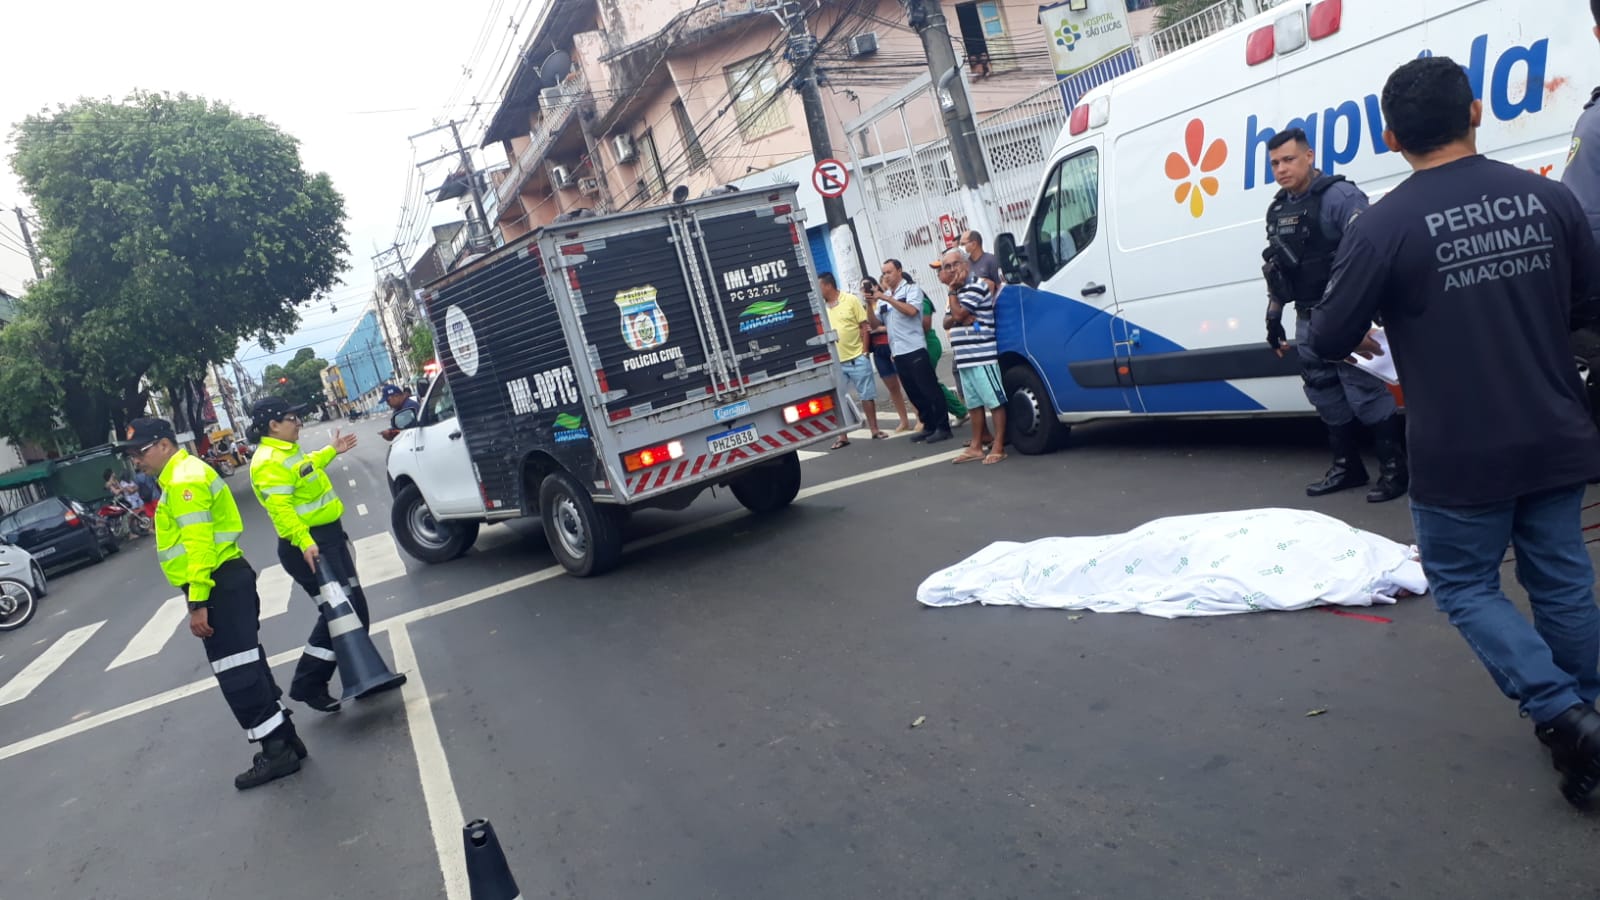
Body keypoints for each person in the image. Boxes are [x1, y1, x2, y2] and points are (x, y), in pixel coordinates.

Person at [1308, 56, 1600, 806]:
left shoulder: (1383, 226)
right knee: (1562, 580)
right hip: (1555, 428)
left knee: (1465, 584)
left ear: (1391, 136)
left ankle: (1566, 715)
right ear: (1475, 111)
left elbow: (1328, 333)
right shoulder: (1549, 199)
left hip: (1459, 450)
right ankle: (1590, 715)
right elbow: (1585, 308)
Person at [119, 417, 305, 790]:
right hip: (225, 580)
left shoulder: (183, 481)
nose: (136, 460)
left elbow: (200, 546)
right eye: (132, 455)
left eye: (140, 451)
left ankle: (277, 753)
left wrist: (198, 601)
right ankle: (286, 740)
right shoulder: (182, 475)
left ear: (164, 445)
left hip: (217, 584)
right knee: (249, 663)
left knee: (238, 673)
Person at [1262, 127, 1407, 502]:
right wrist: (1274, 316)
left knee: (1363, 391)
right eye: (1275, 163)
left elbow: (1370, 255)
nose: (1281, 169)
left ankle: (1395, 470)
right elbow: (1278, 270)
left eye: (1289, 159)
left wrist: (1362, 318)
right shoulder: (1279, 209)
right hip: (1308, 317)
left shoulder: (1340, 197)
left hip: (1347, 314)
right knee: (1322, 390)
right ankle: (1347, 467)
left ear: (1309, 156)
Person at [246, 396, 372, 714]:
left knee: (352, 608)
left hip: (328, 539)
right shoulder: (267, 462)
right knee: (340, 612)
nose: (299, 423)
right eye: (292, 418)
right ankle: (309, 684)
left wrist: (332, 450)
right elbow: (282, 510)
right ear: (273, 425)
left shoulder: (287, 451)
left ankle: (364, 674)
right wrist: (305, 542)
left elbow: (306, 467)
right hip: (309, 546)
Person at [867, 260, 951, 445]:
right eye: (884, 273)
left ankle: (943, 427)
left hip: (914, 348)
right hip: (898, 352)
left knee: (929, 389)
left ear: (899, 271)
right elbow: (874, 324)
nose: (886, 276)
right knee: (914, 392)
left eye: (889, 272)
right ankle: (928, 425)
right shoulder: (884, 297)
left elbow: (912, 311)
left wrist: (887, 299)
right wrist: (869, 304)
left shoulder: (911, 290)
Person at [938, 249, 1007, 465]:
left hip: (981, 356)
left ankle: (998, 446)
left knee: (994, 402)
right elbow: (946, 322)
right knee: (974, 405)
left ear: (965, 265)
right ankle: (976, 446)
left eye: (955, 264)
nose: (951, 270)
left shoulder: (976, 286)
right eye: (947, 267)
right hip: (965, 357)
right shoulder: (958, 292)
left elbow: (957, 314)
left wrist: (955, 304)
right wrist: (957, 315)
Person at [820, 273, 887, 446]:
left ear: (828, 286)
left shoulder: (850, 300)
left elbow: (864, 326)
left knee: (867, 395)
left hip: (856, 357)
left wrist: (864, 351)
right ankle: (842, 436)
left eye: (820, 286)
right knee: (838, 399)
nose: (818, 291)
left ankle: (874, 429)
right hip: (835, 361)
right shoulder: (820, 307)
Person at [861, 276, 914, 433]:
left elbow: (892, 323)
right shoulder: (866, 307)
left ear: (876, 287)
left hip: (891, 344)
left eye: (868, 287)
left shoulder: (885, 301)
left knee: (907, 382)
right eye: (863, 288)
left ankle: (919, 416)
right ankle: (903, 420)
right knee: (892, 388)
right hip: (878, 350)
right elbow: (868, 326)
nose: (866, 290)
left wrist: (879, 329)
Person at [960, 230, 1002, 302]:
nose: (960, 247)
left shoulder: (990, 260)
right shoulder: (965, 265)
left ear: (974, 244)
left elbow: (1000, 287)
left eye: (963, 244)